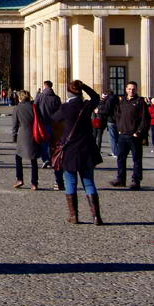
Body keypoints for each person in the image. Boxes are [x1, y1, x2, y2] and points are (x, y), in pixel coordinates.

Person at [51, 80, 103, 225]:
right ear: (80, 93)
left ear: (67, 94)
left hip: (70, 151)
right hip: (86, 149)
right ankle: (96, 217)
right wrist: (84, 86)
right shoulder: (86, 106)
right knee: (89, 183)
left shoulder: (65, 108)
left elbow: (53, 119)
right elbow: (96, 97)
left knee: (70, 182)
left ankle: (74, 216)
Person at [110, 81, 150, 190]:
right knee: (120, 158)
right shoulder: (122, 101)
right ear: (126, 89)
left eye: (133, 89)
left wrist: (139, 132)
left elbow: (145, 119)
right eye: (129, 89)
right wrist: (119, 128)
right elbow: (117, 115)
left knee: (136, 159)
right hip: (123, 134)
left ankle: (136, 180)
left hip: (134, 136)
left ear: (136, 90)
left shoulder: (140, 102)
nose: (131, 91)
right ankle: (120, 179)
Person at [35, 80, 64, 189]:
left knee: (44, 142)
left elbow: (35, 106)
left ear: (44, 86)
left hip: (43, 122)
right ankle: (53, 159)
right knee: (53, 143)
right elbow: (60, 110)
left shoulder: (41, 96)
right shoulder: (56, 98)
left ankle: (46, 159)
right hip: (54, 123)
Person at [11, 91, 40, 190]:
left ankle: (20, 179)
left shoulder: (17, 108)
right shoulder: (34, 107)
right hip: (34, 134)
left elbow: (14, 125)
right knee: (33, 160)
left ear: (20, 98)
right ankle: (34, 183)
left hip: (23, 135)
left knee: (18, 157)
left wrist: (14, 136)